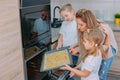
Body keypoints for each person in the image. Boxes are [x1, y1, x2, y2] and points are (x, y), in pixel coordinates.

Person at [70, 8, 118, 80]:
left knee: (101, 76)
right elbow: (85, 42)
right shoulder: (87, 31)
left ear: (88, 23)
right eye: (77, 24)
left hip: (108, 51)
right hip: (98, 49)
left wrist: (77, 51)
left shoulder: (100, 31)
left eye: (81, 25)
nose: (78, 27)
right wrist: (74, 46)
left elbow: (98, 49)